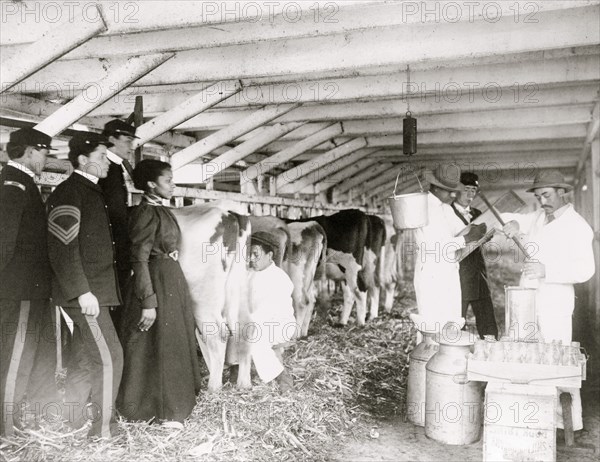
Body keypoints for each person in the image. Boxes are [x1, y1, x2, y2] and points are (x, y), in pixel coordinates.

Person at [502, 169, 595, 433]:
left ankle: (569, 423)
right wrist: (514, 226)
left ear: (561, 192)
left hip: (555, 302)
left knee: (559, 360)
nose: (542, 201)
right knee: (532, 356)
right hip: (529, 298)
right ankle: (539, 417)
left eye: (546, 195)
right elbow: (518, 219)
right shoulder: (541, 216)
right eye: (539, 196)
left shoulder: (578, 227)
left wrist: (549, 271)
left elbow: (585, 270)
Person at [46, 131, 123, 439]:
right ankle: (104, 430)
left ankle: (73, 420)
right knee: (110, 356)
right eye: (102, 157)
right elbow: (62, 248)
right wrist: (82, 291)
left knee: (83, 358)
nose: (107, 162)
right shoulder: (69, 192)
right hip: (86, 294)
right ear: (82, 160)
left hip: (94, 292)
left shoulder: (89, 190)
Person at [116, 159, 201, 429]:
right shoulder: (145, 213)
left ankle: (172, 405)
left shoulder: (161, 210)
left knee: (171, 342)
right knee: (158, 345)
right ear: (152, 184)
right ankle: (158, 410)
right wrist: (148, 302)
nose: (172, 184)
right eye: (168, 180)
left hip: (169, 280)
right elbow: (139, 259)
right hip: (154, 282)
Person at [1, 128, 58, 436]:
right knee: (15, 358)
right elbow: (3, 242)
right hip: (19, 288)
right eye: (46, 152)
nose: (47, 159)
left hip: (27, 289)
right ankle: (4, 429)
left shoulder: (22, 183)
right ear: (31, 151)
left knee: (22, 356)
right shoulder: (14, 185)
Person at [412, 165, 487, 334]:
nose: (453, 194)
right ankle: (428, 358)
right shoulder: (424, 207)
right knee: (432, 325)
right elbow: (434, 247)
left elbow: (461, 228)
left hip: (449, 272)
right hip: (431, 274)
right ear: (436, 187)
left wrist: (481, 227)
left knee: (450, 321)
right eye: (449, 190)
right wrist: (466, 238)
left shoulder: (444, 208)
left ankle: (446, 358)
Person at [99, 119, 138, 333]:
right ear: (111, 139)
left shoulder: (115, 169)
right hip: (111, 256)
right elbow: (113, 214)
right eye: (127, 140)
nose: (131, 146)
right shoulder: (108, 171)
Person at [450, 172, 498, 339]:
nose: (470, 194)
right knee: (456, 320)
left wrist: (487, 236)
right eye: (466, 189)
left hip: (478, 273)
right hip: (457, 275)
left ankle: (490, 352)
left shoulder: (478, 214)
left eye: (473, 190)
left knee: (487, 321)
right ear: (457, 190)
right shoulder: (446, 214)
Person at [247, 232, 297, 392]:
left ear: (270, 255)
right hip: (255, 320)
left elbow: (267, 311)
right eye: (250, 255)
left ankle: (282, 376)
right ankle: (237, 370)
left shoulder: (279, 278)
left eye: (256, 254)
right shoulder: (249, 274)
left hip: (279, 323)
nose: (251, 259)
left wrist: (245, 321)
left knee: (254, 336)